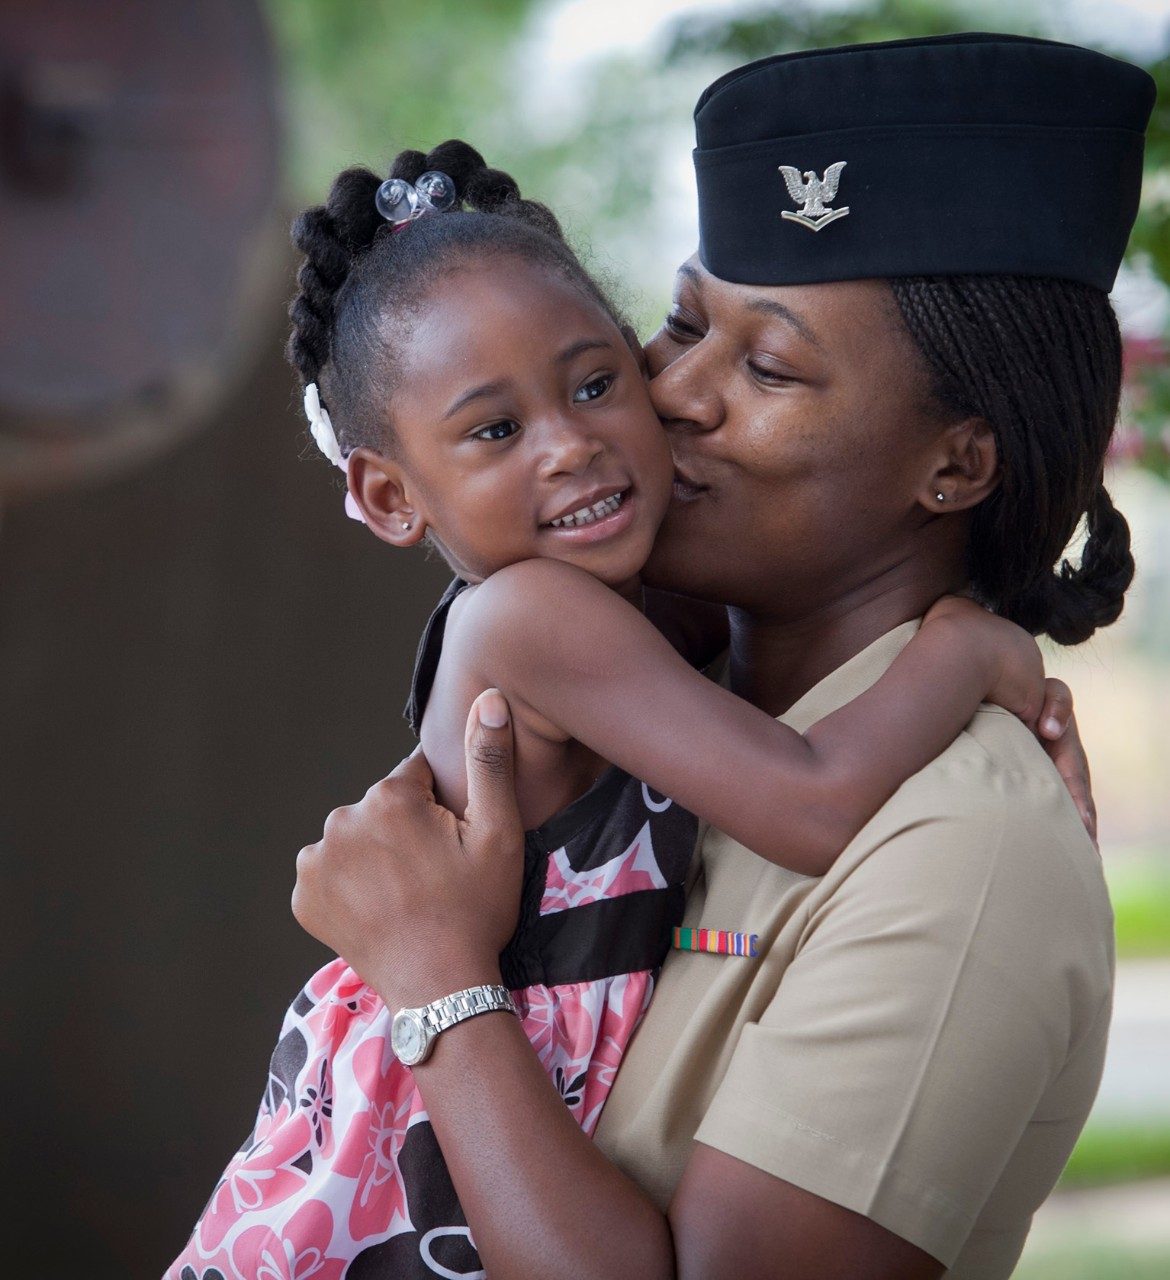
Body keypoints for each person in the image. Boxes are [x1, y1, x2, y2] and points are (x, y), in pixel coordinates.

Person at [289, 33, 1153, 1280]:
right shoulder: (677, 687)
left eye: (765, 365)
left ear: (955, 465)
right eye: (683, 322)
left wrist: (438, 979)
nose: (670, 394)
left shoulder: (957, 846)